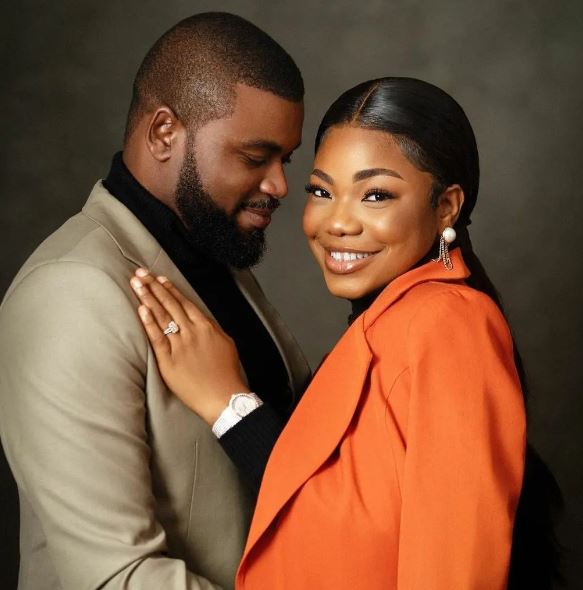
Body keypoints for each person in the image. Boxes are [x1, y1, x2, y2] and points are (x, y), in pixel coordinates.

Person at [130, 77, 562, 589]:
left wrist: (227, 403)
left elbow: (451, 568)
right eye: (321, 191)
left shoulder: (448, 322)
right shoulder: (394, 321)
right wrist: (229, 409)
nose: (337, 222)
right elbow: (345, 530)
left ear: (446, 206)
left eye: (375, 195)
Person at [0, 12, 310, 590]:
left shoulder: (214, 253)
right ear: (164, 132)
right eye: (254, 158)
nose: (279, 186)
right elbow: (116, 578)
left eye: (284, 161)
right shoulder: (71, 292)